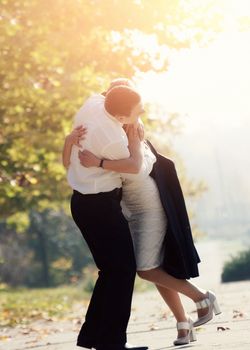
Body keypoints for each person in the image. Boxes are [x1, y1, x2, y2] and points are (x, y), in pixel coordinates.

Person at [69, 82, 222, 346]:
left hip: (147, 207)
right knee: (151, 266)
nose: (140, 115)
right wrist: (70, 140)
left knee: (145, 268)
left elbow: (136, 168)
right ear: (118, 110)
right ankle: (183, 323)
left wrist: (100, 161)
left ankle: (202, 297)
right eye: (136, 110)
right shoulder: (115, 130)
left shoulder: (129, 135)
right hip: (128, 208)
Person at [63, 85, 148, 350]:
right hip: (99, 206)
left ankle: (94, 338)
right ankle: (111, 342)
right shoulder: (113, 138)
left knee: (111, 271)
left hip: (83, 202)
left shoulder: (93, 103)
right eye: (138, 111)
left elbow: (108, 94)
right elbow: (135, 168)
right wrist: (136, 140)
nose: (142, 113)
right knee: (123, 270)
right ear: (122, 118)